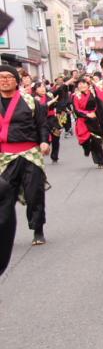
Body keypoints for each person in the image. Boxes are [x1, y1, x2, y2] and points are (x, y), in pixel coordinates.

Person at [0, 65, 50, 247]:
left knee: (34, 193)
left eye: (8, 77)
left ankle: (38, 229)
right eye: (1, 77)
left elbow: (42, 124)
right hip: (5, 156)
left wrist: (44, 141)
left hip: (30, 153)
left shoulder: (29, 101)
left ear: (16, 81)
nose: (4, 80)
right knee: (4, 196)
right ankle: (4, 234)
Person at [72, 78, 103, 168]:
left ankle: (100, 161)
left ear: (88, 84)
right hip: (83, 120)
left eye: (84, 83)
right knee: (85, 141)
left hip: (94, 119)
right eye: (80, 84)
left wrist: (94, 113)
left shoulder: (94, 93)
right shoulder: (75, 96)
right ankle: (86, 148)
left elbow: (99, 105)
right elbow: (76, 109)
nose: (82, 85)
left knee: (96, 141)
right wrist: (87, 114)